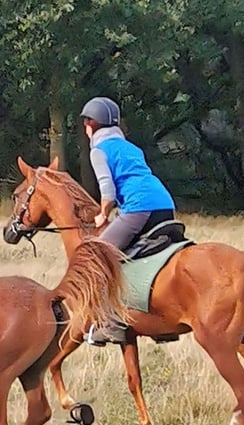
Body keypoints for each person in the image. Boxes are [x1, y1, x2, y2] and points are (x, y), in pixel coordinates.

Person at [80, 96, 177, 346]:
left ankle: (110, 323)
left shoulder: (98, 150)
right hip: (165, 204)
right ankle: (160, 320)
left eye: (86, 122)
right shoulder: (132, 148)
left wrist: (102, 215)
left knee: (96, 257)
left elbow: (108, 191)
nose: (85, 127)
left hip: (139, 208)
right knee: (139, 256)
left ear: (92, 124)